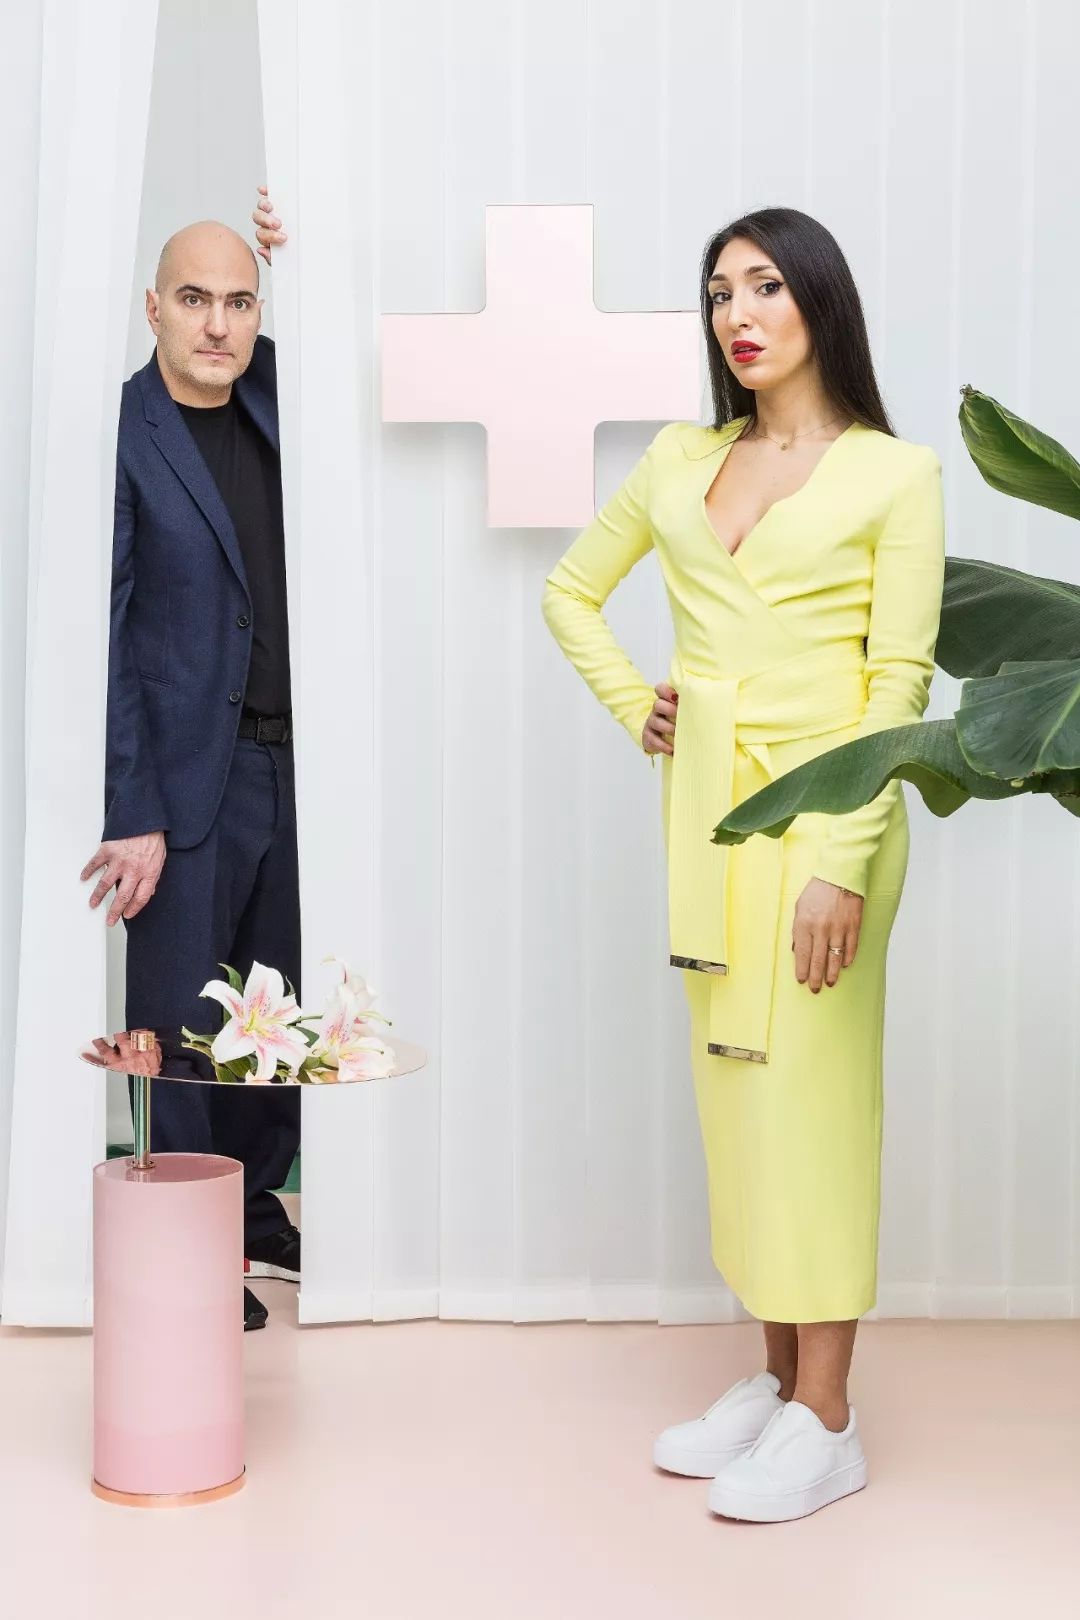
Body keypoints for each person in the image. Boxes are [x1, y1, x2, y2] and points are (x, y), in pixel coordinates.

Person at [542, 206, 945, 1522]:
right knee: (741, 1105)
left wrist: (843, 861)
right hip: (708, 817)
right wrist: (637, 704)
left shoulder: (895, 474)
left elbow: (897, 685)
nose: (739, 314)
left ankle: (829, 1419)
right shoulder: (682, 458)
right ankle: (776, 1386)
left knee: (813, 1110)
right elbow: (570, 590)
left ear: (820, 298)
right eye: (720, 292)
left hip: (831, 822)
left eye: (765, 285)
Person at [80, 218, 301, 1331]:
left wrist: (309, 244)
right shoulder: (123, 430)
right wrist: (135, 810)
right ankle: (194, 1249)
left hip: (292, 767)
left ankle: (258, 1213)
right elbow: (108, 635)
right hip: (182, 783)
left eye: (239, 301)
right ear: (153, 307)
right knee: (178, 1026)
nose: (218, 324)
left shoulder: (277, 405)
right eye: (195, 299)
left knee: (274, 1014)